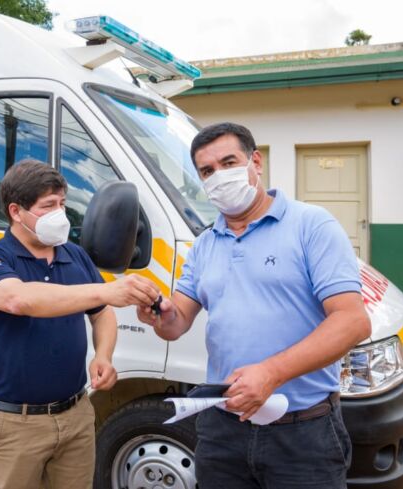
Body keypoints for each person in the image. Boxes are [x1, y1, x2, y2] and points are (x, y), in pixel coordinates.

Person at [137, 123, 371, 488]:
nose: (219, 177)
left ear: (255, 162)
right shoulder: (204, 245)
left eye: (228, 162)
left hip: (302, 431)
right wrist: (160, 314)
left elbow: (353, 321)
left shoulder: (312, 226)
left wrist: (271, 373)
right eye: (207, 171)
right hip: (222, 429)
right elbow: (177, 322)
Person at [0, 160, 159, 489]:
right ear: (16, 211)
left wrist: (103, 355)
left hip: (76, 414)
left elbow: (101, 313)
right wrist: (107, 290)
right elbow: (19, 300)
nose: (60, 214)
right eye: (48, 206)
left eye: (63, 204)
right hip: (16, 423)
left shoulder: (74, 256)